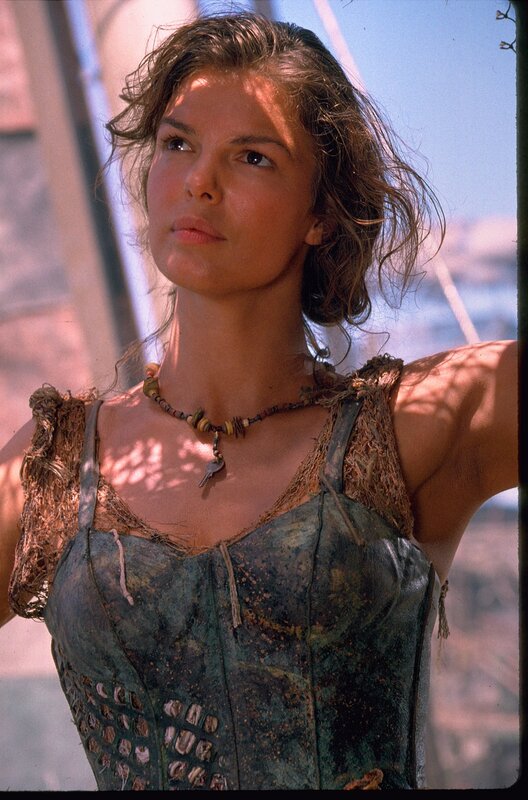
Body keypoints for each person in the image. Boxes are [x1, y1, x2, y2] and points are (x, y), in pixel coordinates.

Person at [0, 10, 517, 792]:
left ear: (320, 213)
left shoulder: (415, 426)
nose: (199, 182)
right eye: (178, 144)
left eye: (252, 157)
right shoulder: (57, 466)